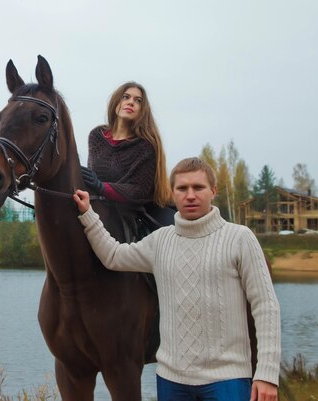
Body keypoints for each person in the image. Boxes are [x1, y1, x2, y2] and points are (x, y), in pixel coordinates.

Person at [73, 157, 281, 401]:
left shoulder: (240, 238)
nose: (190, 195)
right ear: (173, 194)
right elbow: (113, 256)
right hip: (172, 383)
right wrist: (88, 214)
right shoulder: (160, 240)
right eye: (182, 188)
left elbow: (266, 307)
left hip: (228, 380)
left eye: (198, 187)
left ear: (213, 191)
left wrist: (266, 374)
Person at [81, 81, 174, 234]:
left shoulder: (146, 145)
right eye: (126, 97)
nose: (131, 102)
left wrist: (102, 187)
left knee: (172, 235)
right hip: (99, 205)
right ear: (116, 101)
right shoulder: (96, 136)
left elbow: (138, 189)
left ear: (142, 110)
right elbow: (93, 175)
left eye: (138, 101)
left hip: (138, 211)